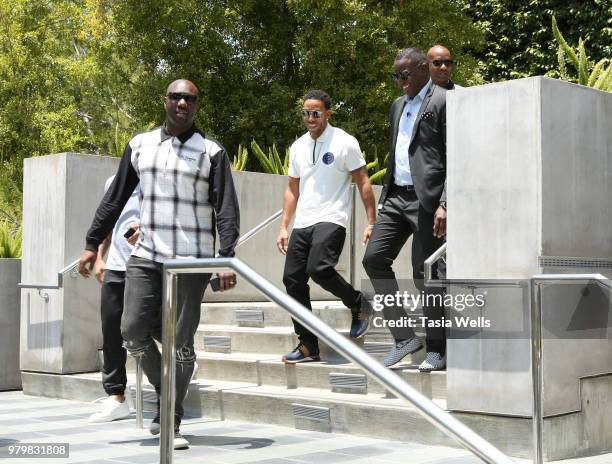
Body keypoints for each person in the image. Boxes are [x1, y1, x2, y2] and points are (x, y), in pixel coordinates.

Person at [79, 79, 240, 449]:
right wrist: (92, 244)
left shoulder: (211, 151)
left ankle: (171, 419)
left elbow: (226, 209)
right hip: (146, 256)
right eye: (176, 96)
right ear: (165, 100)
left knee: (181, 343)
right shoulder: (140, 145)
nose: (183, 103)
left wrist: (226, 257)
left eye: (190, 98)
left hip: (192, 260)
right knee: (132, 332)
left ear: (197, 105)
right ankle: (168, 395)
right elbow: (115, 198)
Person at [362, 48, 447, 372]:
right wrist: (384, 202)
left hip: (428, 200)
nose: (400, 82)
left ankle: (437, 349)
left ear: (423, 69)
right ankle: (404, 337)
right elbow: (394, 153)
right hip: (396, 198)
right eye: (395, 76)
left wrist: (445, 203)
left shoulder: (441, 100)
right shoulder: (397, 106)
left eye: (404, 75)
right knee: (373, 259)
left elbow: (453, 154)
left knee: (425, 273)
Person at [277, 89, 377, 364]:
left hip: (332, 218)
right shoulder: (297, 146)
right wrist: (284, 226)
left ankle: (358, 303)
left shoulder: (344, 142)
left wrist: (372, 220)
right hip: (304, 221)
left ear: (327, 113)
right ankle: (308, 344)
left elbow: (363, 181)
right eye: (306, 113)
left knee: (319, 269)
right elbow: (292, 190)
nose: (310, 118)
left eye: (316, 113)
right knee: (292, 280)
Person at [88, 177, 140, 423]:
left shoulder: (162, 176)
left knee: (148, 326)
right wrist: (99, 257)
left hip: (150, 265)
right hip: (117, 267)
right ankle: (116, 397)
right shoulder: (113, 182)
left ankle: (182, 362)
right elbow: (107, 220)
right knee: (111, 328)